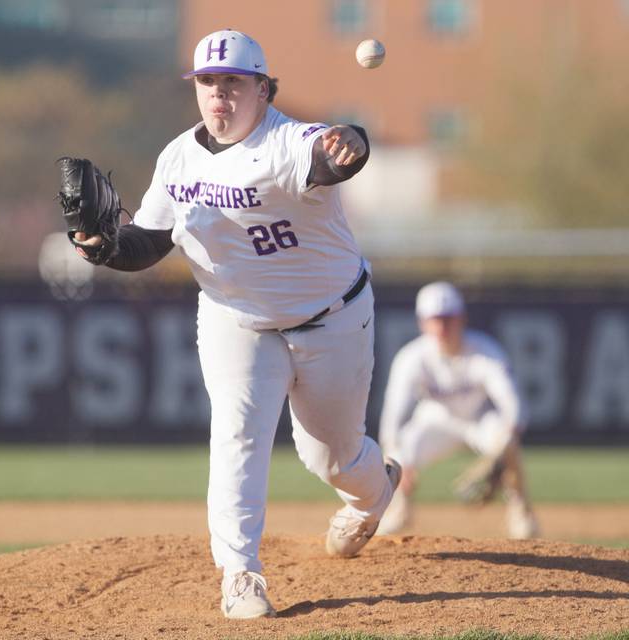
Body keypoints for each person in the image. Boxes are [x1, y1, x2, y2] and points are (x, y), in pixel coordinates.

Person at [70, 29, 400, 619]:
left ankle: (373, 496)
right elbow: (149, 242)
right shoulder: (177, 158)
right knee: (237, 435)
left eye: (233, 82)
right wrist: (104, 247)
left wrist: (351, 140)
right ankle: (240, 574)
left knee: (334, 459)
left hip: (332, 320)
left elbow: (332, 152)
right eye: (207, 82)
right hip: (236, 320)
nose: (219, 94)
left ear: (264, 89)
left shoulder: (287, 141)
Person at [377, 281, 539, 539]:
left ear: (461, 319)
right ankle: (399, 510)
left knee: (507, 441)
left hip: (478, 419)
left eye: (448, 319)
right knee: (397, 451)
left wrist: (505, 442)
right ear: (422, 323)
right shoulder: (412, 357)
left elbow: (513, 404)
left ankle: (521, 511)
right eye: (434, 319)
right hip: (436, 420)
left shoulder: (484, 351)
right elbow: (393, 415)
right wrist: (395, 457)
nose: (441, 327)